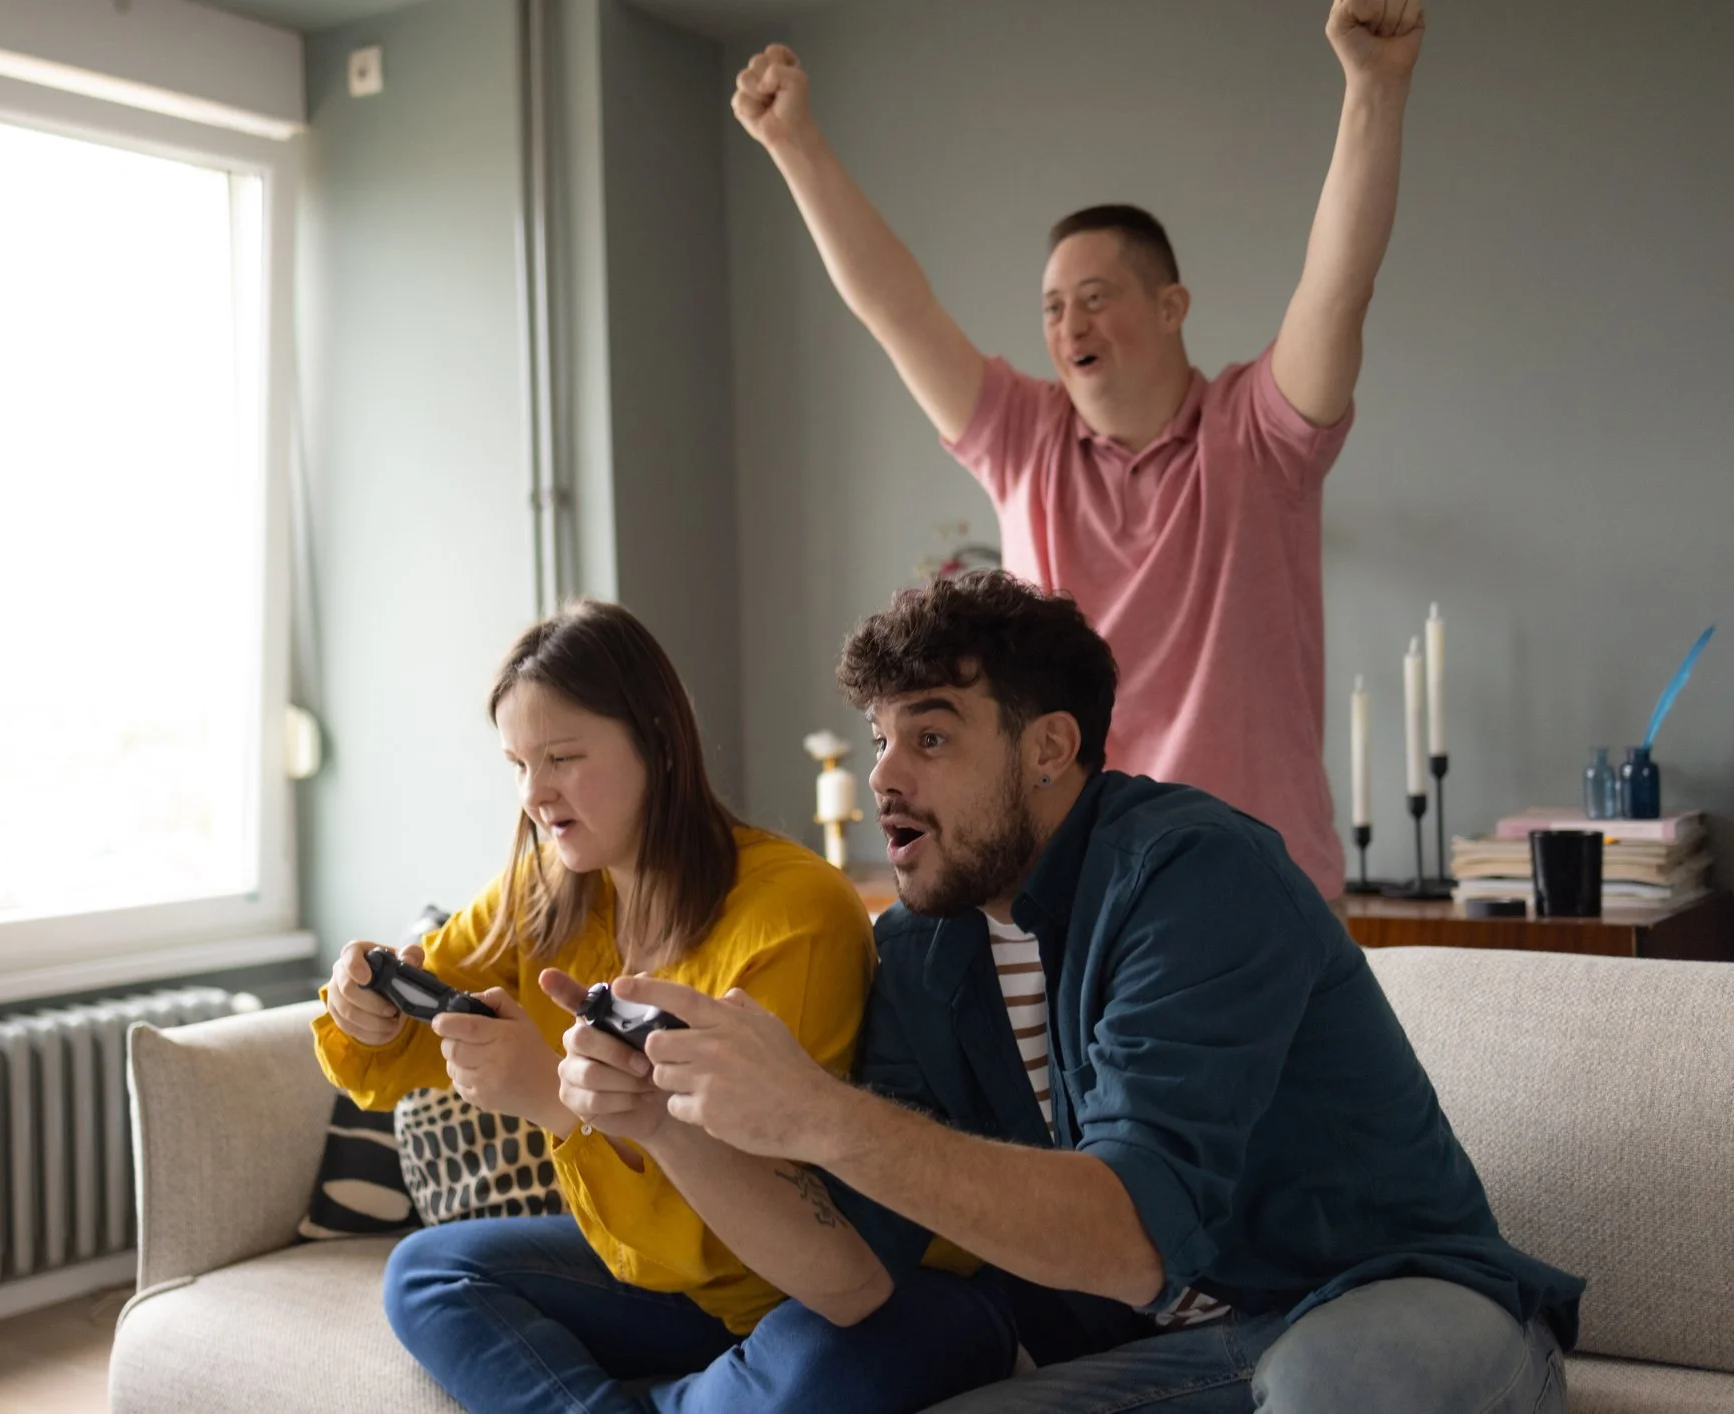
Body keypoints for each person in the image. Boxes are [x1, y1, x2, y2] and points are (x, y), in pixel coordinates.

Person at [616, 571, 1585, 1412]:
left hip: (1380, 1303)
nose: (883, 775)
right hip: (1175, 1356)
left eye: (931, 738)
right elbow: (850, 1275)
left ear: (1047, 749)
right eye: (879, 738)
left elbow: (1129, 1238)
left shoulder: (1193, 876)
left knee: (1330, 1391)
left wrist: (820, 1114)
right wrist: (661, 1121)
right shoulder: (920, 953)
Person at [733, 0, 1432, 898]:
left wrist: (1374, 87)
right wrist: (796, 144)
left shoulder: (1260, 434)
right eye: (1054, 308)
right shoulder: (1025, 442)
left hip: (1261, 882)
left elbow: (1338, 288)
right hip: (1084, 885)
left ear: (1172, 306)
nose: (1070, 325)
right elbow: (895, 307)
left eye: (1096, 297)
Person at [313, 600, 1015, 1413]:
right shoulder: (547, 892)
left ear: (656, 737)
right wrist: (360, 1003)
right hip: (675, 1286)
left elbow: (776, 1215)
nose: (537, 795)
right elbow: (383, 1055)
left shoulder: (793, 914)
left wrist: (557, 1101)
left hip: (820, 1277)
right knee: (429, 1272)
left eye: (564, 757)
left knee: (833, 1370)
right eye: (517, 764)